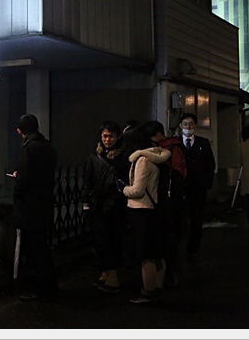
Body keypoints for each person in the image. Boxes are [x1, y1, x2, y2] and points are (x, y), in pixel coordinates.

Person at [118, 125, 170, 304]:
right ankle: (158, 287)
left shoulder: (141, 160)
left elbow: (138, 190)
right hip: (155, 209)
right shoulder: (157, 156)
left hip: (142, 211)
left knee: (146, 254)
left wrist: (123, 188)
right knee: (157, 252)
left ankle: (148, 291)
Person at [12, 114, 59, 301]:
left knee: (35, 249)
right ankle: (49, 286)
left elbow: (24, 179)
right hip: (45, 203)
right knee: (42, 248)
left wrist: (17, 184)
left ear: (19, 131)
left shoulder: (28, 148)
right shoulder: (48, 146)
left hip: (30, 207)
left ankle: (42, 289)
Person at [80, 121, 129, 294]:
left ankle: (112, 277)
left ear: (118, 137)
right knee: (101, 241)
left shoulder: (124, 158)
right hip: (98, 206)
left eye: (111, 136)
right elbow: (87, 181)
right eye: (105, 136)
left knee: (111, 241)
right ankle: (106, 273)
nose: (107, 140)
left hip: (116, 207)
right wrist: (86, 204)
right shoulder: (94, 158)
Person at [140, 120, 187, 287]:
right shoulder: (164, 148)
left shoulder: (172, 148)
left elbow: (179, 173)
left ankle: (170, 274)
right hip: (163, 201)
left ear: (159, 134)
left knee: (170, 238)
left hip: (170, 201)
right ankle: (167, 274)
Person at [179, 112, 216, 261]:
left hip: (198, 187)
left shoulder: (203, 143)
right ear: (180, 126)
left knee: (197, 218)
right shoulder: (176, 143)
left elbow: (210, 163)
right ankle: (177, 246)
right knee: (179, 217)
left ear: (195, 125)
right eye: (185, 124)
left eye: (191, 124)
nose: (188, 127)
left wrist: (207, 182)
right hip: (181, 187)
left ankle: (193, 248)